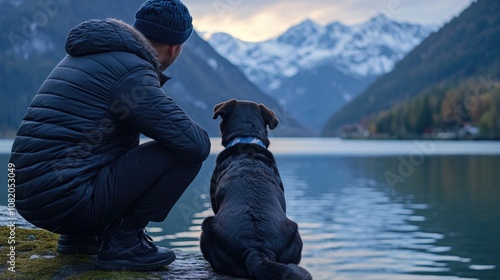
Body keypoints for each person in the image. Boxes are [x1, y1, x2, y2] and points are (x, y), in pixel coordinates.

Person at [9, 0, 210, 271]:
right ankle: (125, 243)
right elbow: (193, 142)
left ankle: (81, 237)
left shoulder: (89, 56)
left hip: (27, 196)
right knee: (188, 151)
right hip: (67, 198)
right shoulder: (132, 70)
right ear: (175, 47)